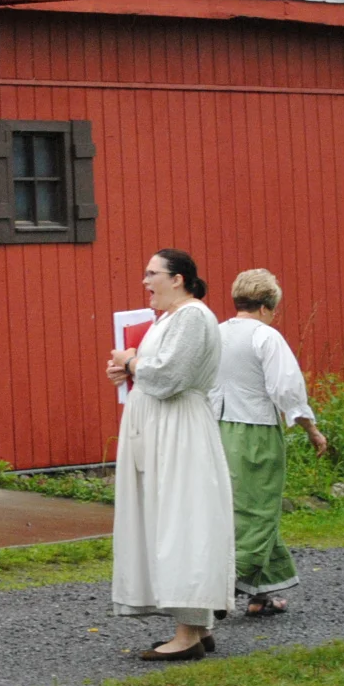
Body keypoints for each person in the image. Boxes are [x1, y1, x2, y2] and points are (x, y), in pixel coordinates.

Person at [105, 248, 233, 661]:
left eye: (152, 273)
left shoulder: (193, 316)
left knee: (183, 522)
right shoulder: (169, 319)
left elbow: (168, 376)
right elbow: (156, 370)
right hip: (163, 429)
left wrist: (132, 362)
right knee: (169, 520)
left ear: (178, 279)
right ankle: (198, 625)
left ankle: (188, 634)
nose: (145, 281)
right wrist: (127, 369)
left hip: (180, 430)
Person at [214, 269, 330, 616]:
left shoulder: (215, 333)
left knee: (233, 507)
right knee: (259, 511)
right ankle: (221, 585)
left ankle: (262, 594)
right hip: (256, 431)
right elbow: (286, 389)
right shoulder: (265, 337)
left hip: (216, 430)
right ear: (266, 307)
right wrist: (311, 429)